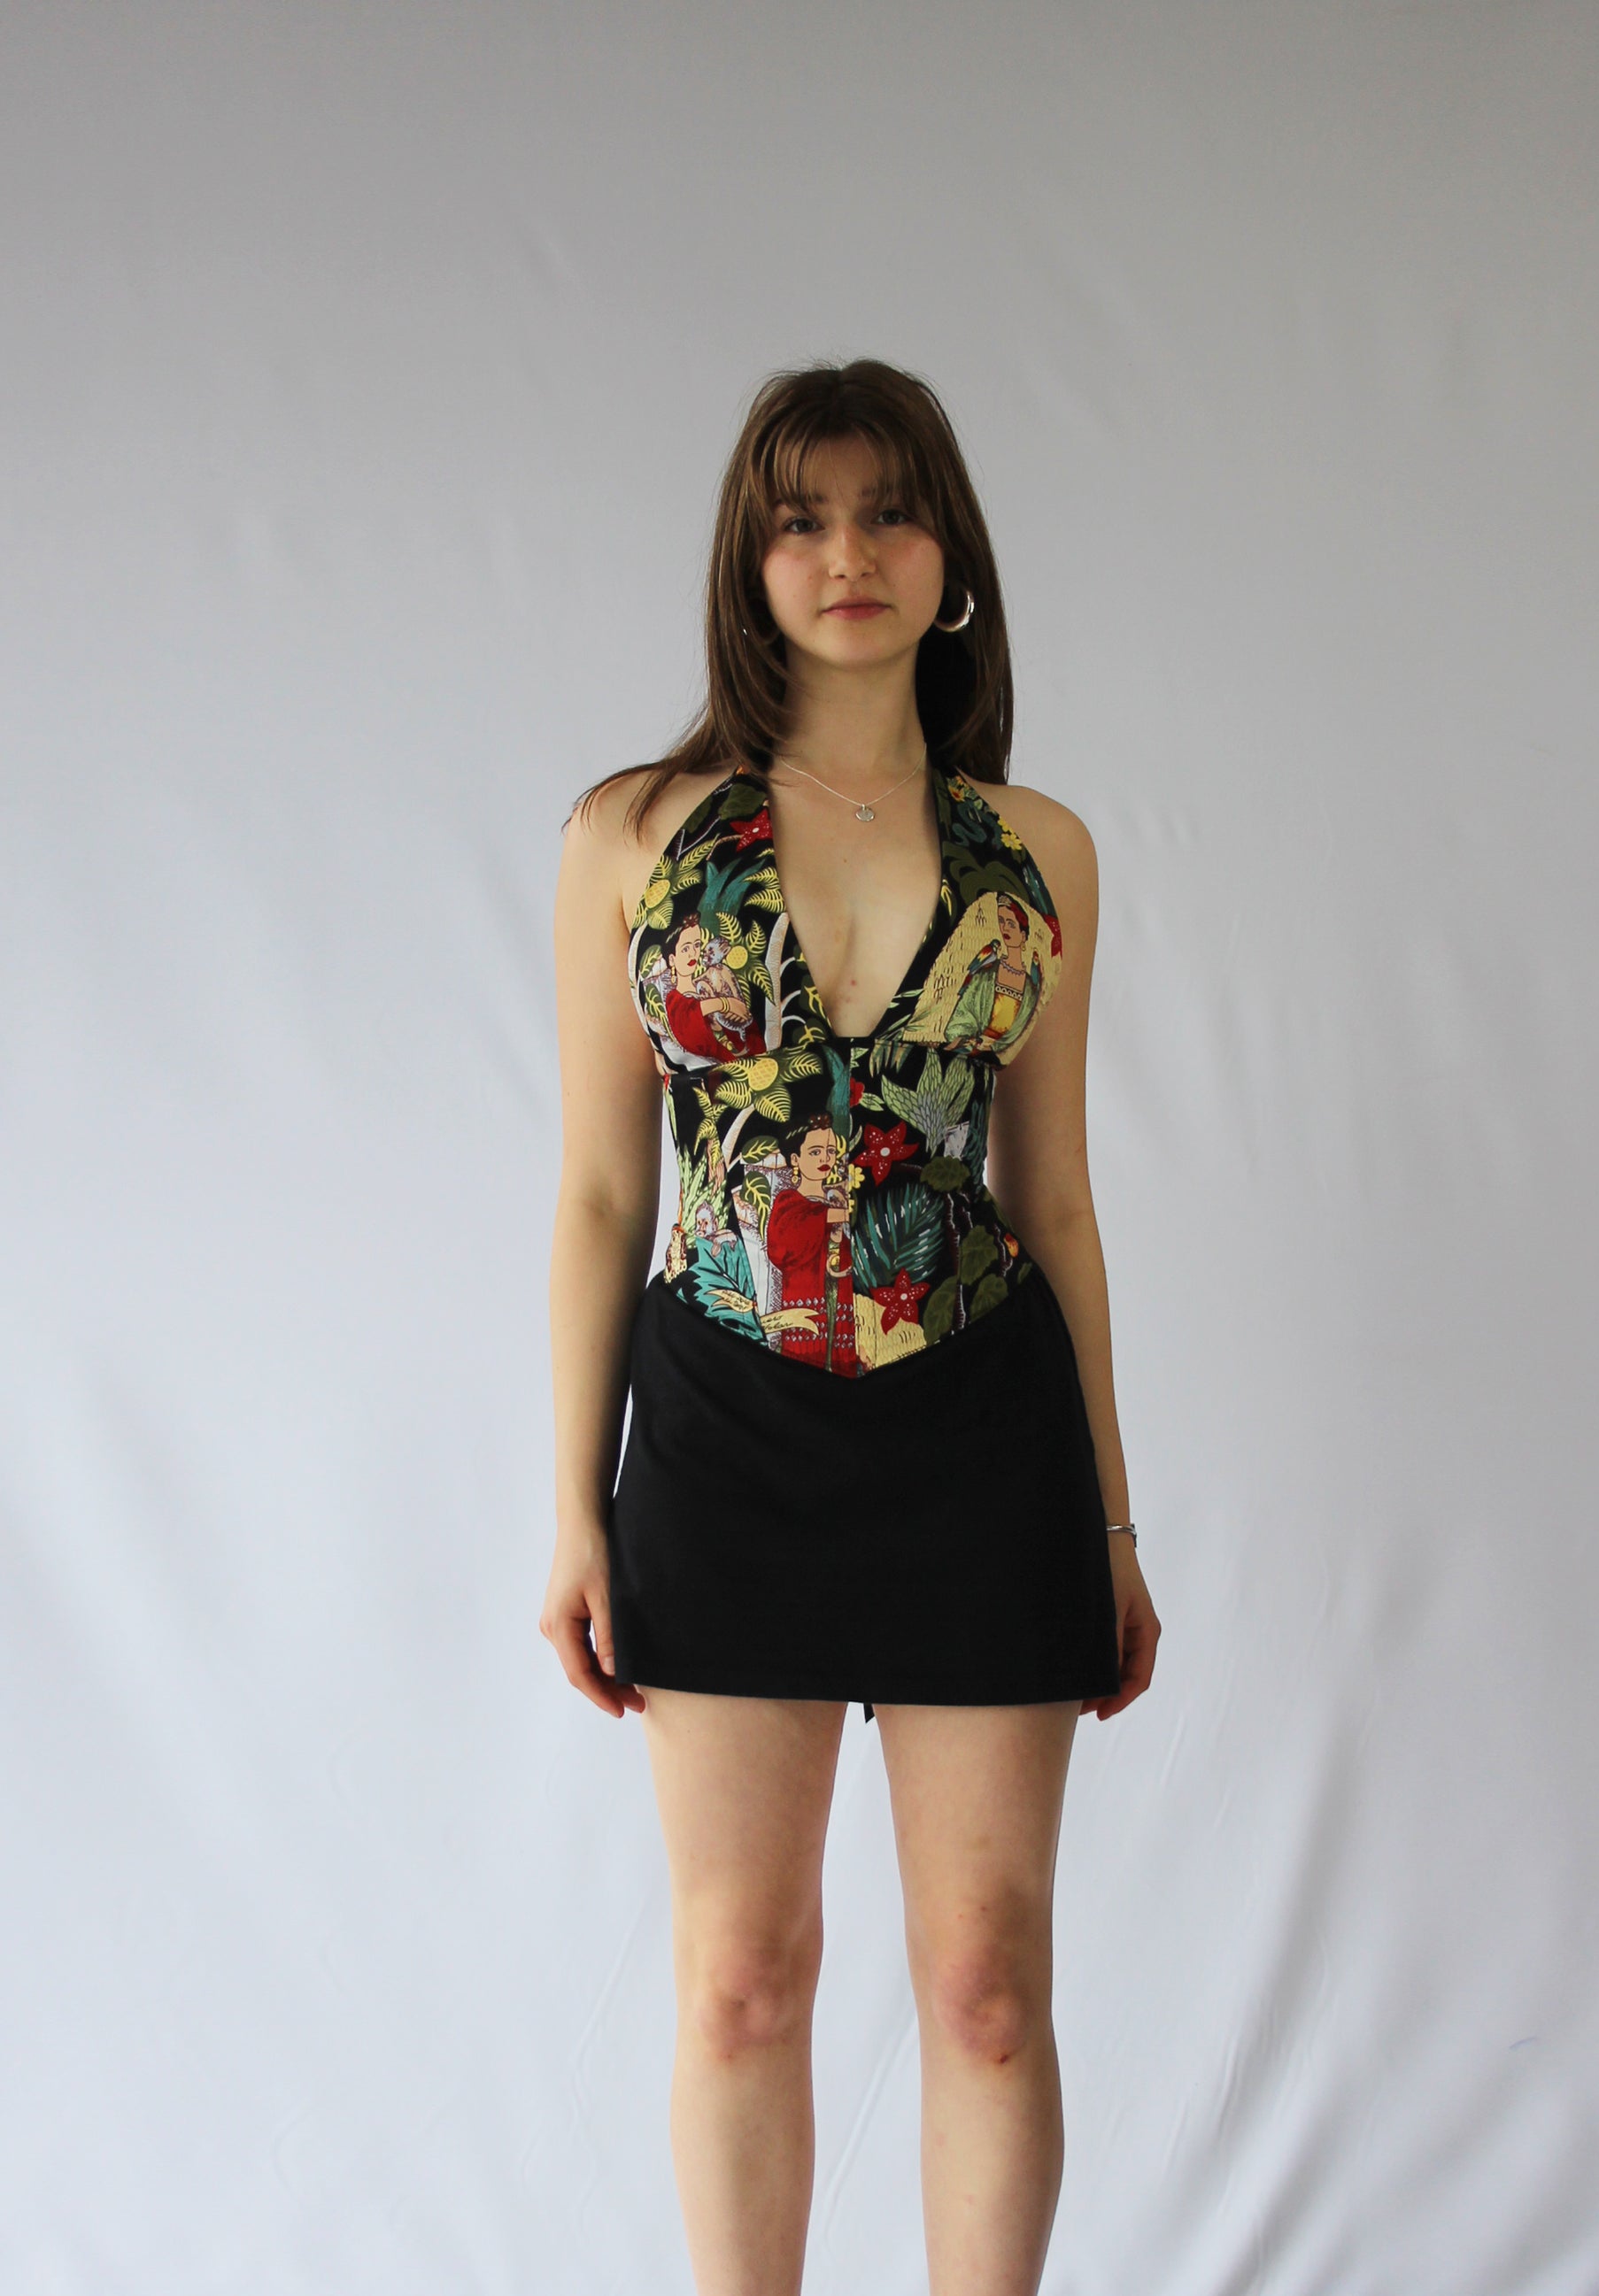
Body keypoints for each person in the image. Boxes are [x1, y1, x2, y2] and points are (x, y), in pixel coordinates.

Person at [541, 356, 1161, 2296]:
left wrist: (1113, 1524)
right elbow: (599, 1196)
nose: (847, 553)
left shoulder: (1036, 849)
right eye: (799, 518)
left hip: (983, 1436)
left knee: (985, 1990)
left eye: (890, 510)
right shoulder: (634, 834)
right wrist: (573, 1510)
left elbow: (1055, 1203)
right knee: (740, 1978)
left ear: (950, 553)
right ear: (748, 559)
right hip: (720, 1436)